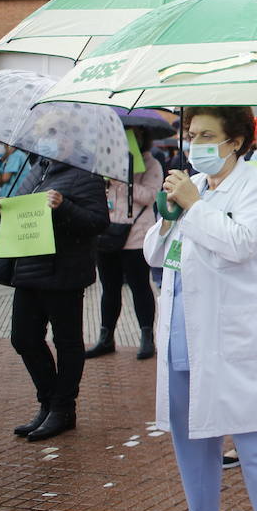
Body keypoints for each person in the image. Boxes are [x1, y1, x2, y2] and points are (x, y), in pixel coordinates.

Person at [141, 107, 257, 511]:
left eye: (208, 135)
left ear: (236, 141)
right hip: (182, 336)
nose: (196, 145)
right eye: (192, 135)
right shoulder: (192, 186)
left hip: (234, 341)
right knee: (191, 444)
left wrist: (194, 206)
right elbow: (156, 254)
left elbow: (240, 243)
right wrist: (171, 215)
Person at [0, 159, 109, 442]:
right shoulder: (35, 170)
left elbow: (98, 221)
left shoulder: (86, 175)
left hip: (64, 272)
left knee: (67, 342)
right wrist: (2, 209)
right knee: (23, 338)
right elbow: (24, 213)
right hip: (29, 266)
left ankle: (63, 407)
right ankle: (48, 401)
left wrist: (64, 206)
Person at [86, 126, 163, 360]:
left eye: (135, 134)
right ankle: (105, 338)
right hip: (108, 235)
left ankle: (147, 337)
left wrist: (122, 181)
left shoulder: (151, 164)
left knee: (140, 287)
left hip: (136, 237)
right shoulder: (107, 162)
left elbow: (150, 197)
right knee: (109, 289)